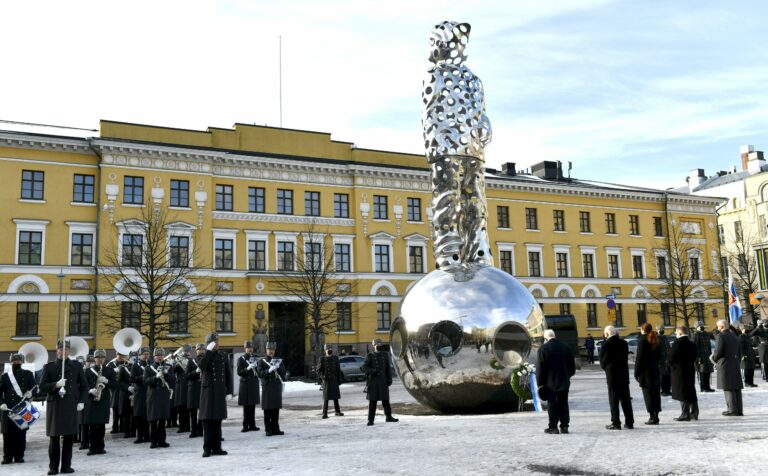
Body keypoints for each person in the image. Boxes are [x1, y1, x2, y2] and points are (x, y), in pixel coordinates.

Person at [39, 339, 88, 475]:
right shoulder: (48, 367)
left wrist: (82, 401)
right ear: (57, 350)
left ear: (69, 351)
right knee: (54, 438)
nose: (64, 351)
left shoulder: (77, 366)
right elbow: (42, 387)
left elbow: (84, 386)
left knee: (68, 438)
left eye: (67, 349)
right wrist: (55, 385)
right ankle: (53, 467)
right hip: (55, 405)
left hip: (70, 404)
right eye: (61, 349)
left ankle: (66, 466)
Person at [536, 329, 576, 434]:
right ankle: (564, 426)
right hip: (564, 381)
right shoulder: (566, 347)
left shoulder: (543, 349)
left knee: (552, 404)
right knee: (564, 403)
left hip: (549, 383)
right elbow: (572, 367)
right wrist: (567, 376)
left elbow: (540, 369)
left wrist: (540, 383)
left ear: (545, 338)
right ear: (555, 336)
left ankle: (553, 427)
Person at [199, 333, 232, 457]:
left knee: (217, 421)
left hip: (218, 391)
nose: (217, 344)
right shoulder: (204, 355)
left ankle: (217, 447)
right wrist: (207, 351)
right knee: (207, 422)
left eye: (217, 341)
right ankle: (207, 448)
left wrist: (229, 391)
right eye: (214, 342)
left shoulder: (223, 356)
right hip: (207, 392)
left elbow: (228, 374)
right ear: (209, 343)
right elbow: (202, 367)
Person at [0, 353, 36, 464]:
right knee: (7, 434)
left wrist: (31, 393)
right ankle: (7, 457)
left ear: (22, 362)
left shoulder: (28, 374)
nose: (16, 363)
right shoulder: (5, 376)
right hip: (8, 409)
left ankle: (19, 456)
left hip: (22, 408)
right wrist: (1, 403)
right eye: (14, 361)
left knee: (21, 433)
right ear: (11, 362)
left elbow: (35, 387)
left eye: (18, 361)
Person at [599, 326, 634, 430]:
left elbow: (602, 361)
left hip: (612, 375)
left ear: (606, 334)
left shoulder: (606, 344)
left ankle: (616, 422)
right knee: (626, 399)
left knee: (614, 400)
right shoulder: (623, 343)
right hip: (623, 374)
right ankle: (629, 422)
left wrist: (607, 368)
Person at [83, 349, 116, 456]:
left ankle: (101, 447)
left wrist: (107, 381)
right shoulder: (88, 371)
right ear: (94, 358)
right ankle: (92, 447)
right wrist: (89, 390)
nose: (100, 359)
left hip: (104, 400)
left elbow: (116, 385)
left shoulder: (110, 371)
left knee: (101, 425)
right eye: (98, 357)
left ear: (105, 358)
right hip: (92, 400)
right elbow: (84, 385)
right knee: (92, 426)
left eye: (102, 357)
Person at [361, 338, 398, 426]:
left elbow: (388, 368)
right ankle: (371, 420)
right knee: (372, 402)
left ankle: (388, 417)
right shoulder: (370, 356)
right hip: (373, 382)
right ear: (374, 346)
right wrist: (372, 370)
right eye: (377, 345)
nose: (378, 347)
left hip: (383, 381)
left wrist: (389, 379)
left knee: (386, 401)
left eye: (380, 345)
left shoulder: (385, 355)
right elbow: (363, 367)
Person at [145, 348, 176, 449]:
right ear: (154, 357)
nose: (159, 357)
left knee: (162, 420)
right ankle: (153, 441)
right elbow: (145, 381)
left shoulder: (169, 366)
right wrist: (155, 377)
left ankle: (162, 441)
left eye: (161, 355)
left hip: (163, 396)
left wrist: (166, 374)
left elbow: (173, 380)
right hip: (153, 396)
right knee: (153, 420)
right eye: (157, 355)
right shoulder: (149, 368)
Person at [712, 319, 744, 416]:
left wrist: (714, 359)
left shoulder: (721, 336)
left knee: (728, 387)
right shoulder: (735, 336)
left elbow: (718, 351)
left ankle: (732, 410)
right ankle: (739, 410)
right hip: (734, 363)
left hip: (724, 364)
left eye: (718, 326)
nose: (717, 328)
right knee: (736, 388)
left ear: (721, 327)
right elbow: (739, 351)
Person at [668, 326, 699, 421]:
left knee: (682, 392)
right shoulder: (692, 344)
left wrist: (669, 364)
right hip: (690, 369)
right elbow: (695, 356)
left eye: (676, 333)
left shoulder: (677, 343)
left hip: (679, 371)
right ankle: (694, 412)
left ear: (680, 333)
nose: (676, 335)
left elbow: (671, 357)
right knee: (691, 390)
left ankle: (685, 414)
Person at [257, 341, 287, 436]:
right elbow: (260, 374)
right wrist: (269, 370)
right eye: (269, 349)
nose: (271, 351)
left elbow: (283, 374)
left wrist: (278, 367)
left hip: (276, 388)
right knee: (267, 410)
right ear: (266, 350)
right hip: (267, 388)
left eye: (273, 350)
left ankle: (276, 428)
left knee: (275, 410)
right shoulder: (261, 361)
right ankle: (268, 429)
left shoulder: (279, 360)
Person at [634, 323, 661, 425]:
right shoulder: (655, 339)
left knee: (648, 395)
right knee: (656, 394)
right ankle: (656, 416)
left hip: (645, 372)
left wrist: (636, 372)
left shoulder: (642, 340)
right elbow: (659, 356)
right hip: (655, 370)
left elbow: (639, 358)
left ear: (642, 330)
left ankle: (652, 417)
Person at [236, 341, 260, 432]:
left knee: (252, 405)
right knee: (246, 406)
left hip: (253, 383)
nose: (250, 349)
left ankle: (252, 425)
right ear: (245, 349)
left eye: (251, 348)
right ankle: (245, 425)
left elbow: (258, 371)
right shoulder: (241, 359)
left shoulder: (255, 358)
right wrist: (247, 368)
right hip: (245, 384)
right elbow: (239, 372)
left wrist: (256, 366)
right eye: (248, 348)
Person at [317, 344, 344, 419]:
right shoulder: (322, 359)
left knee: (336, 396)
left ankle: (337, 411)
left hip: (334, 379)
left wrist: (339, 380)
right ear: (325, 350)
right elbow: (318, 370)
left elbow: (338, 370)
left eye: (330, 349)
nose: (329, 350)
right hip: (327, 381)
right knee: (326, 397)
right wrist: (323, 377)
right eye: (328, 349)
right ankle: (324, 413)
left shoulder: (335, 358)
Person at [131, 347, 151, 444]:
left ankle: (147, 435)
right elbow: (132, 378)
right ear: (140, 355)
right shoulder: (135, 366)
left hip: (149, 391)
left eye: (147, 354)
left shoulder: (150, 365)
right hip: (139, 392)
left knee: (147, 415)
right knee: (139, 415)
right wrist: (142, 377)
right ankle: (139, 436)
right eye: (144, 354)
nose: (146, 356)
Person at [186, 344, 204, 438]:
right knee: (193, 411)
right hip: (193, 388)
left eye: (202, 349)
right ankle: (193, 431)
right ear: (196, 350)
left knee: (202, 411)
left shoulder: (206, 361)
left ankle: (200, 430)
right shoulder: (191, 361)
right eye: (199, 349)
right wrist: (195, 372)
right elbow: (187, 375)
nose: (201, 351)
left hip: (202, 387)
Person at [173, 344, 192, 434]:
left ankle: (187, 426)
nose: (186, 352)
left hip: (187, 385)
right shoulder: (178, 359)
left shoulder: (191, 360)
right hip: (180, 386)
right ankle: (181, 426)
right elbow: (173, 371)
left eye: (188, 351)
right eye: (185, 351)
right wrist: (177, 364)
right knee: (180, 407)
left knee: (187, 407)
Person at [116, 352, 135, 439]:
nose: (132, 360)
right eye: (131, 358)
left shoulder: (137, 368)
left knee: (135, 413)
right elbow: (119, 382)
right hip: (125, 393)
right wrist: (128, 387)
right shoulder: (123, 369)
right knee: (126, 414)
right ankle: (127, 432)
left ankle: (134, 432)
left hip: (135, 393)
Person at [693, 323, 715, 392]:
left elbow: (709, 344)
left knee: (708, 371)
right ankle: (703, 387)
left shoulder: (706, 333)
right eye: (699, 326)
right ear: (697, 327)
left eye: (701, 325)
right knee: (702, 372)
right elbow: (695, 346)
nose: (701, 327)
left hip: (707, 355)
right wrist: (698, 357)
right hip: (701, 356)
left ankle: (708, 387)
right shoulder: (696, 335)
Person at [105, 353, 123, 435]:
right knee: (115, 409)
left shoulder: (126, 363)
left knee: (123, 409)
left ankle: (123, 427)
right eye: (119, 354)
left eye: (122, 355)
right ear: (116, 354)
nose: (121, 356)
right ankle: (115, 427)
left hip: (123, 388)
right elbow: (107, 374)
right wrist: (114, 370)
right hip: (115, 389)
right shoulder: (111, 364)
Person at [740, 323, 758, 387]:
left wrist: (757, 327)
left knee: (751, 369)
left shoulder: (748, 336)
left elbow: (752, 333)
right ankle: (747, 383)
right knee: (747, 370)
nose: (745, 330)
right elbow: (741, 347)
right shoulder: (741, 336)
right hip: (746, 355)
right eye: (744, 329)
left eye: (746, 329)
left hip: (751, 355)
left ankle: (751, 382)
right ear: (742, 330)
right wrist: (743, 355)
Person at [657, 326, 672, 396]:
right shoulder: (657, 338)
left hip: (667, 359)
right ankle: (663, 390)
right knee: (662, 376)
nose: (662, 330)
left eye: (663, 329)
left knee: (668, 375)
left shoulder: (665, 337)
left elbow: (668, 347)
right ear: (657, 330)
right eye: (660, 329)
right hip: (661, 360)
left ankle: (668, 390)